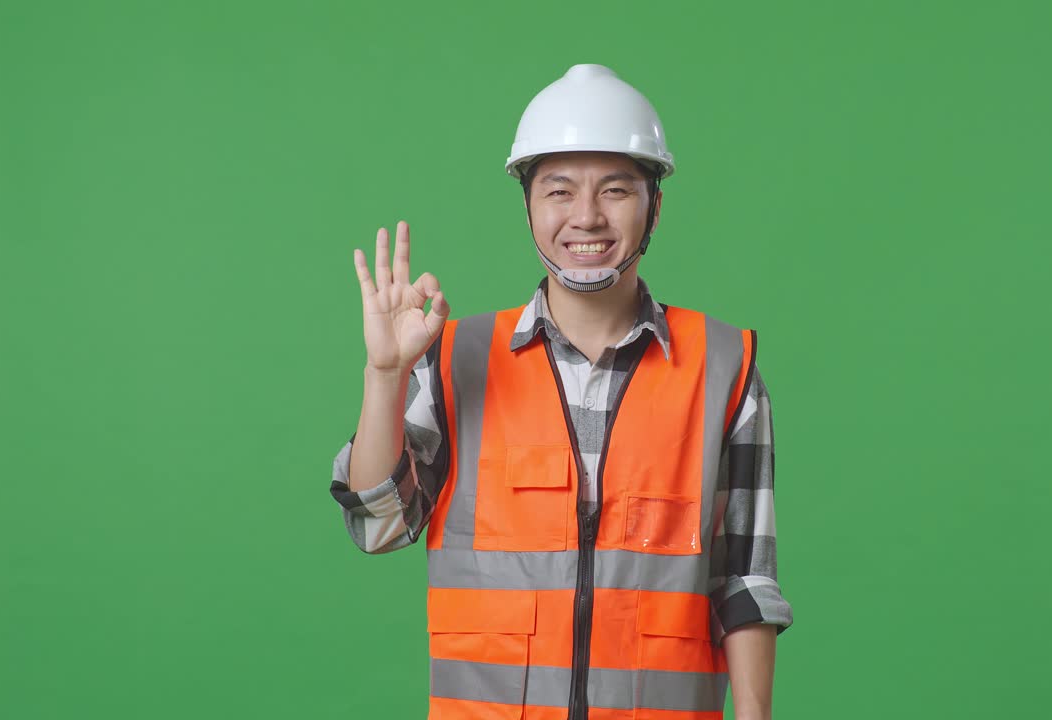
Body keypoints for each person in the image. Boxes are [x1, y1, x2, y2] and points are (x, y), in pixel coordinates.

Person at [329, 63, 793, 720]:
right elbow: (379, 525)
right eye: (558, 191)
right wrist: (385, 377)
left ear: (654, 203)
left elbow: (745, 585)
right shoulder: (456, 358)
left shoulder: (724, 370)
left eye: (616, 190)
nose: (586, 217)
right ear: (527, 203)